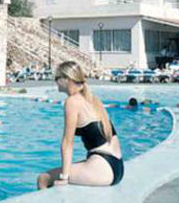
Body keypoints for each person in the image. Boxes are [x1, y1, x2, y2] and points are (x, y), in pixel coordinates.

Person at [37, 61, 124, 189]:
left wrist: (65, 176)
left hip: (103, 167)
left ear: (67, 79)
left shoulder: (72, 102)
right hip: (117, 167)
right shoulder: (92, 99)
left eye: (57, 78)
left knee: (43, 178)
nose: (55, 81)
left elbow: (67, 143)